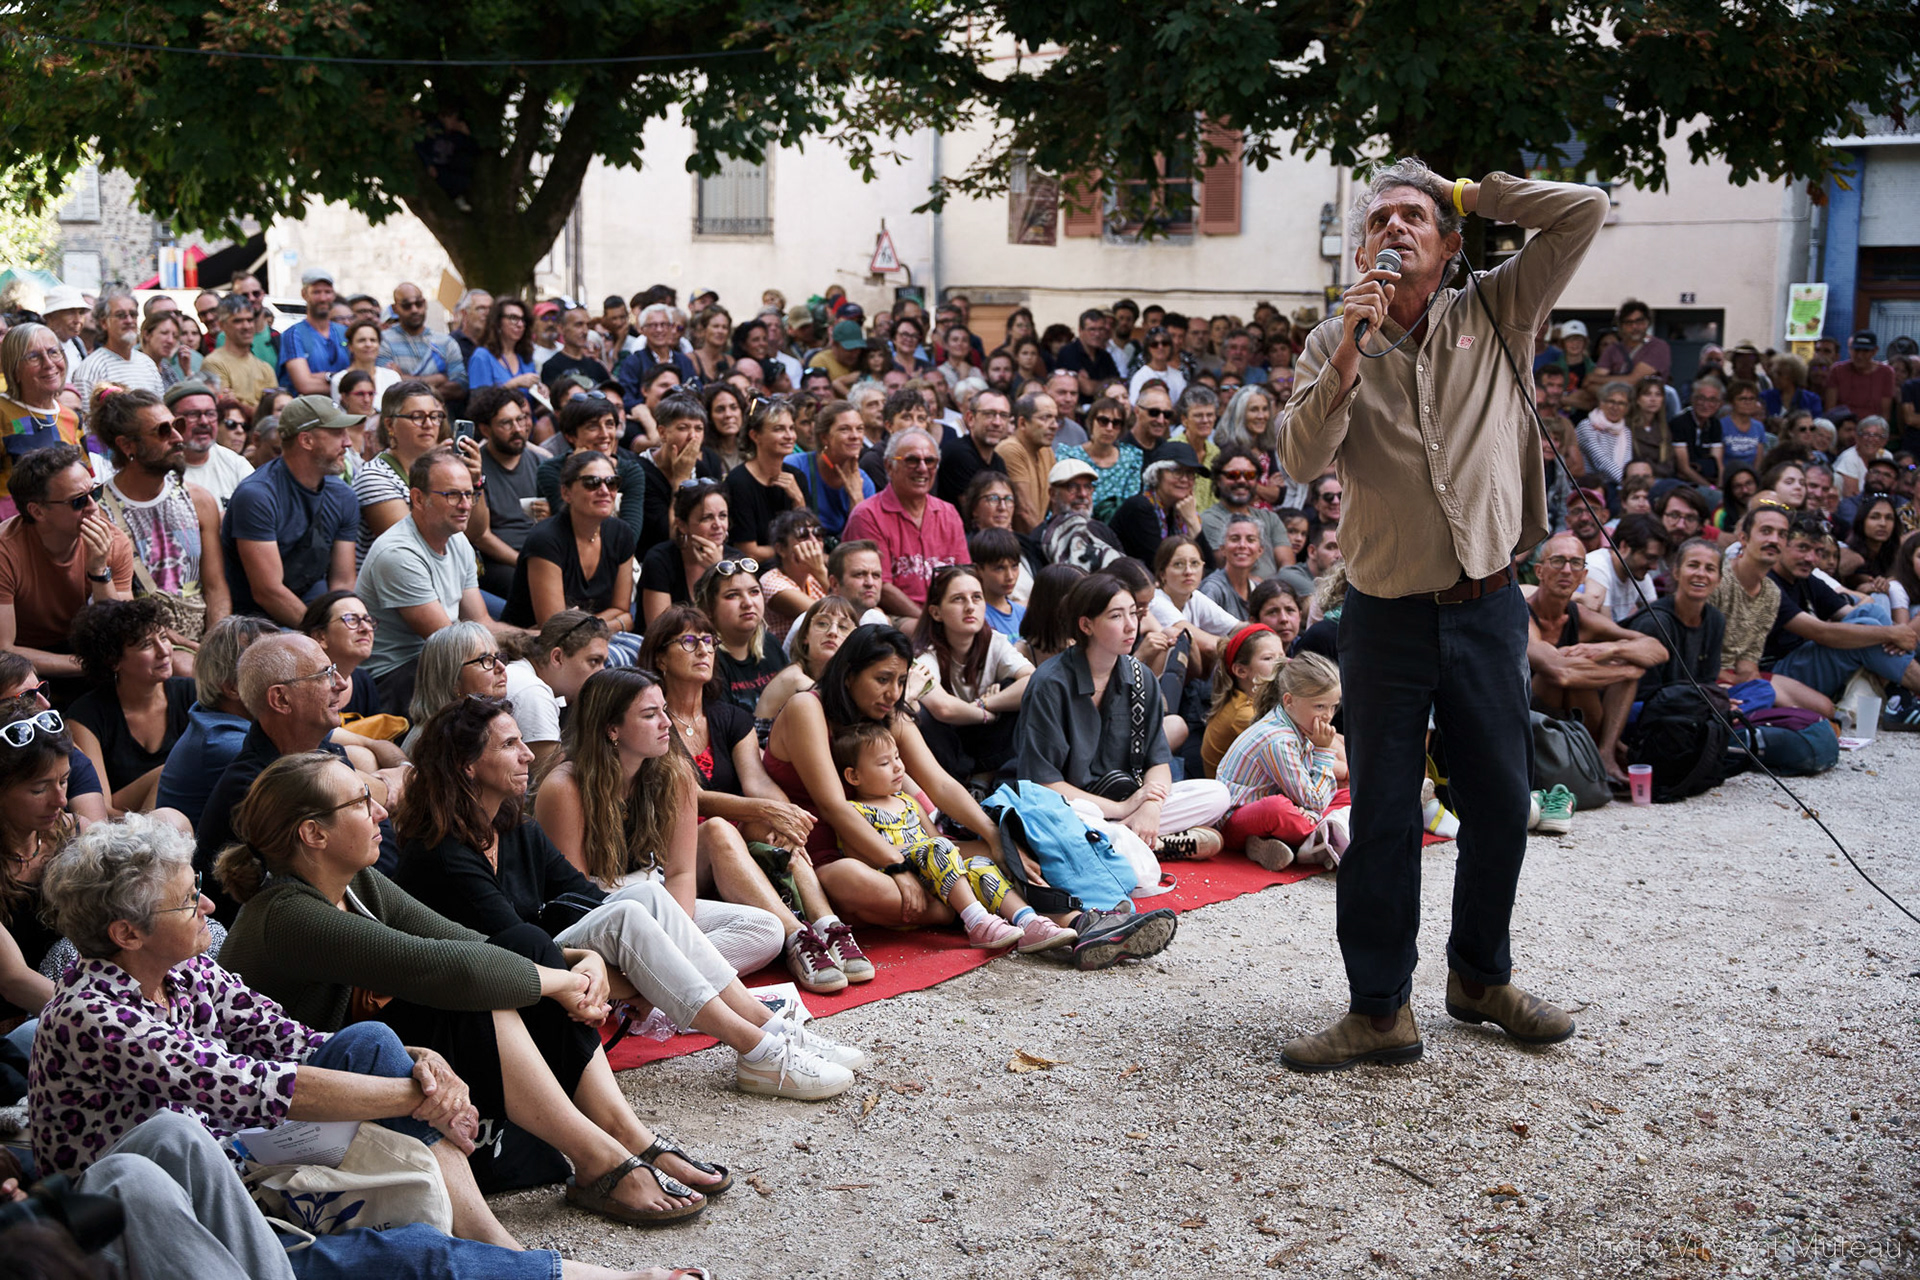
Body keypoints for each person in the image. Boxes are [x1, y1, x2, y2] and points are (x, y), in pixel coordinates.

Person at [1276, 160, 1605, 1071]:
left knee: (1501, 800)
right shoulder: (1330, 342)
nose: (1394, 228)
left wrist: (1465, 192)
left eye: (1414, 216)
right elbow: (1302, 458)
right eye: (1378, 217)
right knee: (1383, 813)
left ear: (1450, 243)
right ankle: (1379, 1011)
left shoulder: (1498, 307)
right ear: (1357, 247)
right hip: (1383, 616)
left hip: (1491, 605)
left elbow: (1584, 208)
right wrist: (1350, 347)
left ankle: (1478, 979)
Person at [213, 754, 723, 1231]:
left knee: (523, 948)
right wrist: (563, 982)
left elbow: (465, 941)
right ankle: (599, 1159)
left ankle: (623, 1135)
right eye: (359, 803)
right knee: (478, 988)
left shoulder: (357, 881)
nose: (381, 812)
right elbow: (438, 967)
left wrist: (574, 961)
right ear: (312, 833)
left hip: (354, 1065)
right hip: (292, 1113)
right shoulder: (286, 914)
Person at [399, 694, 859, 1107]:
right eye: (508, 745)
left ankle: (767, 1027)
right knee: (627, 910)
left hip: (549, 958)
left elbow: (584, 896)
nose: (526, 755)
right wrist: (636, 979)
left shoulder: (512, 826)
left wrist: (643, 972)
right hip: (494, 984)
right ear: (467, 765)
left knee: (641, 896)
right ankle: (755, 1048)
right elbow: (511, 947)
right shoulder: (443, 852)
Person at [635, 611, 866, 991]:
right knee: (718, 830)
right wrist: (764, 809)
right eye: (689, 642)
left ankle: (828, 926)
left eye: (709, 641)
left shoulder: (729, 716)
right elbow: (690, 797)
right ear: (660, 657)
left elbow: (757, 780)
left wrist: (783, 815)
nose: (704, 651)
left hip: (730, 855)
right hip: (671, 859)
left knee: (767, 825)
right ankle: (797, 939)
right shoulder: (653, 723)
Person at [1017, 571, 1231, 876]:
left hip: (1127, 798)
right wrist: (1124, 808)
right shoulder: (1050, 684)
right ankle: (1151, 845)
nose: (1132, 625)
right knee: (1066, 824)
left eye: (1134, 613)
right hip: (1075, 809)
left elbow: (1158, 760)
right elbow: (1044, 784)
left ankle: (1129, 842)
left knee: (1216, 794)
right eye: (1117, 616)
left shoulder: (1141, 677)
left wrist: (1150, 808)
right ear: (1086, 624)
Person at [832, 718, 1072, 953]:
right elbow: (859, 855)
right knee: (936, 846)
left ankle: (1028, 921)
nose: (898, 767)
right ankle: (976, 921)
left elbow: (939, 839)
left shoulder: (908, 802)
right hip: (897, 878)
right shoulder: (855, 811)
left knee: (980, 865)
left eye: (897, 757)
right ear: (854, 777)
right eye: (884, 763)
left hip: (937, 873)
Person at [358, 445, 505, 710]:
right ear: (417, 498)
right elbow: (449, 643)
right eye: (452, 495)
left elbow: (480, 621)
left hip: (445, 657)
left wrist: (540, 639)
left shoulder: (459, 541)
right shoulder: (398, 553)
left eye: (469, 494)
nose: (464, 505)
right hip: (397, 673)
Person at [1524, 533, 1667, 784]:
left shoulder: (1581, 615)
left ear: (1583, 575)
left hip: (1579, 715)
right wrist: (1625, 672)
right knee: (1559, 674)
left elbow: (1658, 649)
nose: (1567, 570)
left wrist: (1611, 650)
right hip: (1534, 721)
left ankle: (1605, 755)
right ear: (1540, 571)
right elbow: (1560, 673)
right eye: (1558, 561)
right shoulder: (1522, 614)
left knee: (1619, 656)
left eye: (1576, 563)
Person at [92, 386, 231, 644]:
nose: (178, 437)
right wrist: (183, 646)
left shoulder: (199, 500)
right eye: (163, 431)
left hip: (204, 640)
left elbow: (215, 587)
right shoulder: (99, 511)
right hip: (142, 643)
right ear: (127, 445)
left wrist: (216, 644)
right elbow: (118, 606)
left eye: (177, 424)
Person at [0, 443, 136, 682]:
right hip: (22, 667)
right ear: (38, 511)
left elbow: (120, 636)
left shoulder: (113, 541)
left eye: (95, 492)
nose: (94, 507)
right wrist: (85, 664)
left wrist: (99, 571)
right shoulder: (6, 551)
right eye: (78, 502)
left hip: (90, 651)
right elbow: (4, 649)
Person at [221, 394, 360, 624]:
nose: (348, 442)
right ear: (306, 441)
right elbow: (268, 592)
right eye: (337, 433)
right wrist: (322, 635)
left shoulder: (343, 496)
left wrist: (343, 626)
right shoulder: (257, 496)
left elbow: (343, 583)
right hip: (257, 624)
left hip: (317, 614)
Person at [1215, 652, 1353, 869]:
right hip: (1240, 820)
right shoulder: (1278, 740)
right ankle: (1324, 840)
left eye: (1333, 707)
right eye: (1319, 706)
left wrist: (1312, 809)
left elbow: (1310, 792)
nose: (1328, 715)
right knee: (1278, 809)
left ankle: (1273, 846)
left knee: (1352, 794)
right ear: (1289, 701)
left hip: (1299, 806)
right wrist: (1323, 751)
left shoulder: (1301, 724)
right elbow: (1313, 800)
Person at [1765, 513, 1920, 701]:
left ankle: (1897, 695)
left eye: (1817, 552)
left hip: (1803, 662)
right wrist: (1890, 633)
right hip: (1776, 675)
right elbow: (1820, 632)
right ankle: (1897, 695)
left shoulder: (1805, 579)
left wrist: (1891, 633)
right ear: (1781, 545)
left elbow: (1852, 613)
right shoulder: (1769, 585)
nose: (1810, 558)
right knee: (1866, 630)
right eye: (1803, 548)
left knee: (1871, 612)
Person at [61, 598, 195, 814]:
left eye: (163, 638)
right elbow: (99, 811)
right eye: (146, 645)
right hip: (126, 832)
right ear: (113, 660)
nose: (164, 651)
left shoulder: (192, 694)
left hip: (188, 818)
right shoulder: (86, 717)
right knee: (169, 771)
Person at [505, 450, 640, 662]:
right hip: (537, 648)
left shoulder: (621, 533)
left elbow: (624, 611)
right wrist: (613, 623)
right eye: (592, 483)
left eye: (612, 482)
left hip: (593, 640)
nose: (604, 490)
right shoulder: (546, 539)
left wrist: (591, 626)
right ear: (566, 493)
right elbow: (555, 629)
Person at [906, 564, 1034, 781]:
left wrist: (992, 702)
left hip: (985, 743)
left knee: (1013, 688)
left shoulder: (995, 642)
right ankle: (963, 782)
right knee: (922, 714)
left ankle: (987, 778)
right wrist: (985, 711)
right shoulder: (925, 654)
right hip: (946, 750)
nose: (970, 607)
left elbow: (1034, 681)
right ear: (936, 612)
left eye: (976, 597)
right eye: (958, 599)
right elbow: (943, 709)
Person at [152, 614, 280, 824]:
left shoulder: (222, 714)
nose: (291, 670)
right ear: (233, 687)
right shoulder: (223, 744)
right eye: (275, 662)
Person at [841, 428, 969, 622]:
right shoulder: (867, 515)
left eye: (930, 461)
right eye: (911, 460)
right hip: (892, 618)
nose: (923, 468)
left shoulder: (948, 513)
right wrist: (929, 624)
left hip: (947, 616)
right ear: (889, 466)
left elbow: (964, 576)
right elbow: (881, 586)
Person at [0, 323, 86, 522]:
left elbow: (87, 477)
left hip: (64, 538)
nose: (49, 363)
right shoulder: (3, 413)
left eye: (53, 352)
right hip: (14, 538)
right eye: (33, 356)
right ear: (14, 369)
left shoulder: (70, 417)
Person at [534, 392, 649, 540]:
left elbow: (629, 537)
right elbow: (571, 533)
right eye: (593, 427)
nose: (605, 434)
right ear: (571, 436)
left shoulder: (631, 471)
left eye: (609, 424)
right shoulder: (551, 470)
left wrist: (556, 519)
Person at [1626, 537, 1726, 698]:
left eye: (1710, 569)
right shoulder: (1654, 623)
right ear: (1676, 572)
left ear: (1719, 579)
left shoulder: (1716, 620)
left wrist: (1716, 701)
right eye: (1693, 565)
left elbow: (1709, 680)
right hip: (1653, 707)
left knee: (1762, 690)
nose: (1701, 574)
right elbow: (1644, 691)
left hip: (1696, 701)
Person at [639, 479, 740, 625]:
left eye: (723, 516)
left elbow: (740, 620)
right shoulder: (659, 560)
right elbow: (660, 631)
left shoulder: (737, 560)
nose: (718, 525)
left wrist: (719, 569)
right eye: (707, 518)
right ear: (682, 525)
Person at [753, 594, 858, 734]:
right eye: (822, 623)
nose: (833, 632)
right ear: (804, 636)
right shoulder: (794, 678)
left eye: (843, 627)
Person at [725, 396, 808, 561]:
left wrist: (799, 501)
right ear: (755, 436)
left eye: (791, 428)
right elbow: (749, 552)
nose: (789, 436)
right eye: (779, 429)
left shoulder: (797, 477)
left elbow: (808, 541)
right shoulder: (738, 482)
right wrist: (793, 551)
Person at [1199, 622, 1286, 777]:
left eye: (1282, 656)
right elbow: (1288, 762)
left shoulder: (1258, 703)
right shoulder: (1244, 715)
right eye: (1268, 658)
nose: (1282, 664)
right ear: (1241, 670)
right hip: (1235, 798)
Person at [786, 399, 876, 540]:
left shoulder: (865, 482)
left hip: (843, 557)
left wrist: (856, 497)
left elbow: (862, 542)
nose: (855, 436)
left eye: (859, 429)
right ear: (824, 438)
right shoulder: (794, 467)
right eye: (844, 429)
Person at [1112, 441, 1210, 566]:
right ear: (1157, 474)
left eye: (1190, 473)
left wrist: (1192, 520)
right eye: (1177, 471)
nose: (1185, 479)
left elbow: (1207, 566)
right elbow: (1160, 566)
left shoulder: (1178, 511)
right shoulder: (1140, 507)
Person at [1052, 396, 1140, 523]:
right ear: (1091, 422)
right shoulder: (1069, 456)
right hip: (1072, 522)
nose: (1109, 428)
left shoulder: (1131, 458)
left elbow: (1130, 504)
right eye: (1103, 421)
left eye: (1116, 423)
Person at [71, 290, 164, 408]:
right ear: (104, 322)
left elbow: (160, 408)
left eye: (133, 314)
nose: (129, 320)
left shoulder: (148, 364)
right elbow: (86, 420)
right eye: (121, 315)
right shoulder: (91, 368)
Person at [378, 281, 469, 400]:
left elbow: (460, 386)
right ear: (395, 309)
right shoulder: (383, 341)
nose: (414, 310)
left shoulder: (446, 342)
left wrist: (404, 378)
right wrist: (439, 378)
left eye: (418, 303)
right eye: (406, 305)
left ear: (425, 304)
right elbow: (386, 383)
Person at [1582, 511, 1666, 624]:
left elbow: (1657, 618)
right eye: (1649, 557)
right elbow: (1605, 630)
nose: (1654, 567)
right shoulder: (1596, 566)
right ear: (1624, 546)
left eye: (1657, 559)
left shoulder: (1638, 573)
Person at [995, 391, 1059, 535]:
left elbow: (1056, 501)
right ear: (1022, 423)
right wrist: (1046, 546)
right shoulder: (1010, 449)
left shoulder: (1046, 450)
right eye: (1045, 418)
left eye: (1055, 418)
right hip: (1016, 542)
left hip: (1036, 537)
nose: (1054, 425)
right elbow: (1024, 511)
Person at [276, 269, 349, 394]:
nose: (323, 298)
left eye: (327, 292)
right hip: (308, 408)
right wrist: (348, 388)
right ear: (304, 294)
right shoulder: (294, 335)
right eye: (316, 292)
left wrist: (324, 377)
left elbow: (361, 374)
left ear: (334, 295)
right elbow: (305, 385)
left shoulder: (344, 333)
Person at [936, 386, 1011, 506]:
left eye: (1003, 415)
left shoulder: (998, 462)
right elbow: (974, 514)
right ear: (970, 418)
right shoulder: (958, 454)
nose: (997, 422)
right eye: (989, 414)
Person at [613, 304, 700, 404]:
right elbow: (626, 397)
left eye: (664, 324)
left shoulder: (684, 361)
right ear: (642, 330)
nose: (659, 330)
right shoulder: (633, 363)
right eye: (653, 325)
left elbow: (697, 391)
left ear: (671, 327)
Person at [466, 298, 541, 392]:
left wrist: (542, 392)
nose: (520, 324)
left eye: (523, 320)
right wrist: (513, 384)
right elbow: (478, 400)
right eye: (513, 318)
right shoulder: (482, 356)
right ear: (497, 322)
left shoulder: (525, 357)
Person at [1824, 331, 1896, 424]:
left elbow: (1885, 413)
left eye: (1865, 351)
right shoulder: (1837, 370)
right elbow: (1830, 410)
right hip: (1842, 425)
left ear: (1875, 351)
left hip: (1871, 427)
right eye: (1856, 350)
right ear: (1850, 350)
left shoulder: (1886, 372)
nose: (1859, 356)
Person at [969, 526, 1027, 638]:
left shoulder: (1022, 614)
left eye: (1014, 566)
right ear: (978, 570)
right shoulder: (977, 617)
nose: (1010, 576)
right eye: (1000, 568)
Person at [1833, 414, 1893, 500]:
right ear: (1857, 437)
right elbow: (1852, 497)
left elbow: (1890, 487)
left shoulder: (1886, 456)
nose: (1870, 439)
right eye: (1866, 434)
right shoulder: (1849, 458)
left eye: (1876, 435)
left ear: (1884, 441)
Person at [1718, 380, 1770, 476]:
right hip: (1728, 476)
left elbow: (1758, 461)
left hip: (1751, 476)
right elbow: (1718, 460)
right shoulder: (1721, 425)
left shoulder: (1758, 427)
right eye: (1742, 399)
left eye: (1752, 399)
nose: (1748, 402)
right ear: (1732, 402)